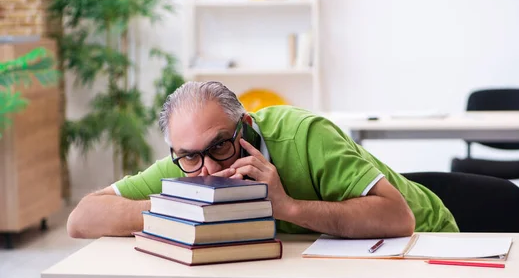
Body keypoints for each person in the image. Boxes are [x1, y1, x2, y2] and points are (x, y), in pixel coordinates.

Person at [67, 81, 458, 239]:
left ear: (247, 127)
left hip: (423, 242)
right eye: (189, 156)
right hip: (326, 265)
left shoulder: (305, 134)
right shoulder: (194, 162)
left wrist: (286, 206)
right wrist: (182, 204)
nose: (211, 170)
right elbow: (82, 219)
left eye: (221, 147)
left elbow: (398, 218)